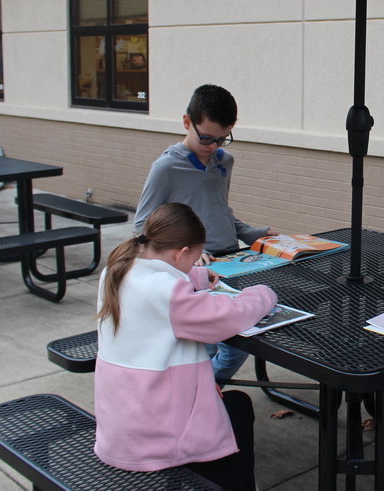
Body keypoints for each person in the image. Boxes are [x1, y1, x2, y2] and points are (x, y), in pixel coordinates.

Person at [94, 202, 277, 491]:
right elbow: (230, 317)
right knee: (238, 406)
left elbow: (160, 280)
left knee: (227, 403)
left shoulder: (116, 270)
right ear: (181, 253)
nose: (194, 265)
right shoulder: (168, 294)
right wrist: (263, 294)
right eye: (193, 260)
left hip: (122, 424)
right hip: (159, 436)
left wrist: (196, 275)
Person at [135, 84, 279, 383]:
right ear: (187, 122)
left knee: (239, 343)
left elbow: (220, 212)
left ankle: (204, 393)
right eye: (207, 138)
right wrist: (187, 253)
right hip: (195, 269)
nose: (213, 146)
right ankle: (198, 396)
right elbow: (143, 225)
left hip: (234, 261)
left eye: (221, 139)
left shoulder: (223, 161)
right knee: (209, 344)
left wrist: (257, 234)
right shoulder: (165, 167)